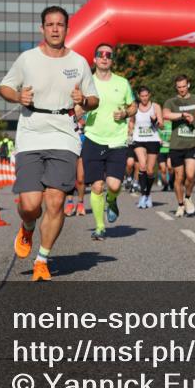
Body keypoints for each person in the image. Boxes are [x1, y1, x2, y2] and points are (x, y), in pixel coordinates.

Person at [0, 6, 98, 281]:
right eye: (50, 24)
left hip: (64, 133)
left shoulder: (78, 62)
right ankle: (28, 226)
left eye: (60, 24)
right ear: (42, 28)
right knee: (31, 205)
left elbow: (94, 99)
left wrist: (83, 100)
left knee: (55, 201)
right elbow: (4, 87)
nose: (55, 29)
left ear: (67, 29)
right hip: (31, 131)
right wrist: (18, 96)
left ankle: (42, 259)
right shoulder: (27, 59)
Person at [81, 43, 136, 241]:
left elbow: (133, 106)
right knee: (97, 186)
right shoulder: (86, 83)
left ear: (112, 60)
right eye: (101, 54)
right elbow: (77, 106)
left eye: (108, 55)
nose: (104, 57)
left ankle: (111, 200)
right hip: (93, 138)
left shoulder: (122, 83)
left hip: (117, 141)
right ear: (94, 59)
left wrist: (126, 113)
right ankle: (100, 227)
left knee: (113, 185)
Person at [163, 75, 195, 218]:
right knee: (179, 177)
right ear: (176, 87)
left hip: (193, 143)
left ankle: (188, 197)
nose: (182, 89)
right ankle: (180, 204)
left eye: (184, 86)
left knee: (190, 175)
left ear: (188, 85)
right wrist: (182, 115)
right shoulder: (171, 101)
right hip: (176, 145)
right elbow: (166, 114)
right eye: (179, 87)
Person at [131, 85, 163, 209]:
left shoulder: (155, 107)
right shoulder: (135, 107)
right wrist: (129, 131)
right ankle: (143, 195)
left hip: (153, 139)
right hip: (139, 139)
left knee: (150, 170)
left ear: (149, 95)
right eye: (142, 96)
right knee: (142, 165)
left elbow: (161, 125)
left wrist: (155, 121)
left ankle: (148, 194)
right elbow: (131, 122)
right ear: (139, 96)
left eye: (146, 96)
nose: (144, 98)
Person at [64, 105, 88, 217]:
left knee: (81, 178)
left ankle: (80, 203)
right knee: (70, 177)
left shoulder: (87, 109)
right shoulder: (68, 110)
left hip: (83, 145)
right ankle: (69, 203)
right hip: (70, 145)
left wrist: (84, 120)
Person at [158, 119, 173, 191]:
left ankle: (171, 182)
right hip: (161, 150)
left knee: (170, 167)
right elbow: (155, 133)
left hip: (170, 150)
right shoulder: (159, 123)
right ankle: (166, 184)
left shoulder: (173, 124)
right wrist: (158, 139)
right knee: (163, 169)